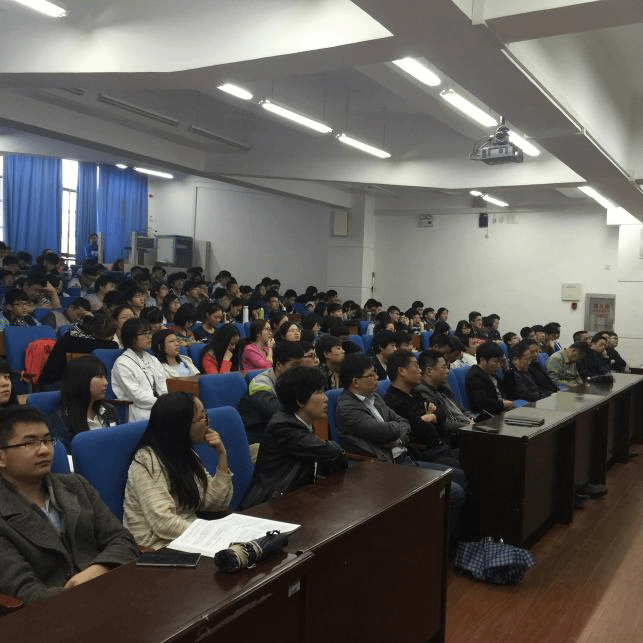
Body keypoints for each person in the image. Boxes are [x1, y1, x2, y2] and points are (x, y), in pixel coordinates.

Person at [0, 405, 139, 605]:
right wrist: (78, 594)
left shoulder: (76, 486)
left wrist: (99, 569)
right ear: (1, 457)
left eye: (47, 440)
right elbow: (24, 592)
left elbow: (122, 539)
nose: (44, 450)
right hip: (53, 612)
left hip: (108, 587)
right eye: (30, 443)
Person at [123, 393, 233, 550]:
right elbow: (163, 524)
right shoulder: (147, 461)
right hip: (156, 548)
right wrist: (209, 532)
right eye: (202, 418)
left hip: (189, 538)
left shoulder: (184, 453)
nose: (207, 423)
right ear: (181, 425)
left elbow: (215, 503)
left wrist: (222, 455)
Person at [240, 366, 347, 509]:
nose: (326, 398)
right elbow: (333, 453)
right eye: (319, 392)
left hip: (296, 496)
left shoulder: (301, 421)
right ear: (300, 401)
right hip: (270, 505)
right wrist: (332, 448)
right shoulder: (283, 426)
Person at [383, 350, 464, 474]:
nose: (420, 370)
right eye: (416, 366)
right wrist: (431, 418)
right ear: (402, 371)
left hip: (439, 447)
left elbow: (442, 413)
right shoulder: (393, 401)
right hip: (425, 453)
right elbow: (420, 430)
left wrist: (430, 417)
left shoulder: (414, 392)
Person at [49, 356, 120, 452]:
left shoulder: (109, 410)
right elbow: (66, 455)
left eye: (104, 377)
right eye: (99, 377)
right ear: (81, 380)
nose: (106, 382)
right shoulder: (61, 420)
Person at [238, 341, 305, 442]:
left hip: (283, 434)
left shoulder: (295, 381)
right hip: (258, 438)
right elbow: (277, 412)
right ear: (279, 365)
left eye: (301, 366)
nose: (299, 371)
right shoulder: (259, 383)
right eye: (295, 366)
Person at [39, 313, 119, 390]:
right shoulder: (75, 339)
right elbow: (113, 345)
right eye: (110, 337)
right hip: (53, 383)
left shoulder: (80, 332)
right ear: (96, 335)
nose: (112, 339)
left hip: (67, 380)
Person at [112, 318, 168, 421]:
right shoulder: (122, 363)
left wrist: (165, 402)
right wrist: (162, 404)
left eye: (149, 333)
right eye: (144, 333)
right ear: (132, 338)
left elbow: (162, 384)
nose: (149, 337)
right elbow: (137, 396)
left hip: (160, 406)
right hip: (139, 410)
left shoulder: (153, 359)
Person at [464, 341, 514, 415]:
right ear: (483, 360)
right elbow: (482, 404)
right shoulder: (475, 376)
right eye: (496, 362)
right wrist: (503, 404)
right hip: (489, 417)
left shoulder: (490, 372)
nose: (499, 366)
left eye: (499, 362)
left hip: (501, 412)